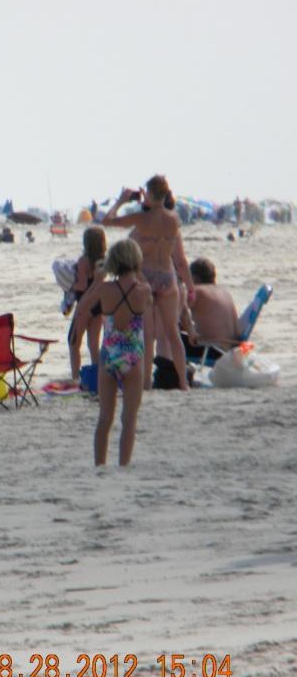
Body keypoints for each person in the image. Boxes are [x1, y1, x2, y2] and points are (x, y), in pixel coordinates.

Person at [100, 175, 194, 391]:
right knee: (173, 333)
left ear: (149, 194)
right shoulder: (174, 220)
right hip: (167, 276)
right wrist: (190, 286)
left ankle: (146, 384)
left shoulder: (142, 220)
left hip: (146, 277)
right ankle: (183, 383)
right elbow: (180, 260)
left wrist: (121, 201)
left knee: (148, 336)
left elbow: (107, 220)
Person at [90, 239, 153, 466]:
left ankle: (100, 465)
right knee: (129, 419)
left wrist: (98, 280)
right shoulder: (144, 291)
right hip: (133, 356)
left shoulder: (105, 289)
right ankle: (123, 465)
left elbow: (84, 308)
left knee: (104, 418)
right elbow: (149, 333)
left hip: (110, 354)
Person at [67, 226, 108, 381]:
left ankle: (75, 377)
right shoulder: (103, 261)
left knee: (74, 343)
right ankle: (97, 377)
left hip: (84, 304)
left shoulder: (83, 261)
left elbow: (82, 286)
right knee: (93, 344)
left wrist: (71, 285)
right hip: (99, 305)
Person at [181, 257, 240, 362]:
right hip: (231, 350)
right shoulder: (224, 292)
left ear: (194, 278)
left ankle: (170, 370)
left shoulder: (196, 291)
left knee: (171, 334)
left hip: (212, 350)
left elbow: (174, 310)